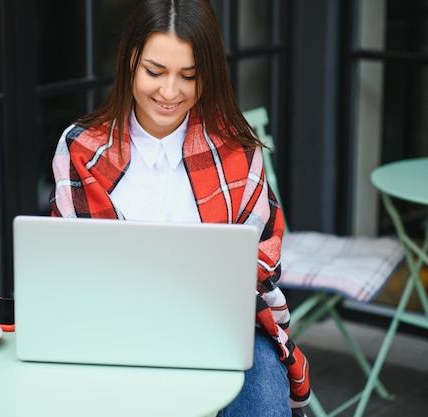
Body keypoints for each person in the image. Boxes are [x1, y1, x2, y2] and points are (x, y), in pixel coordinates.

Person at [49, 0, 310, 415]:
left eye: (188, 76)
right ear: (129, 61)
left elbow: (264, 258)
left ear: (207, 76)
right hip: (111, 329)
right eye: (155, 72)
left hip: (224, 330)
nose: (169, 93)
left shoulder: (239, 152)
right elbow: (68, 267)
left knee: (263, 401)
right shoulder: (81, 148)